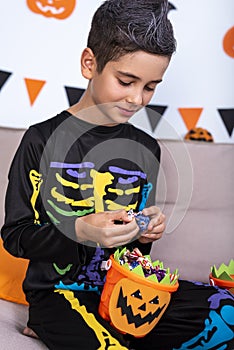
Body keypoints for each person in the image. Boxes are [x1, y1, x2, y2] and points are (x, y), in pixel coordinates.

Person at [1, 0, 234, 349]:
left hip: (124, 288)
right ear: (89, 64)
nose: (137, 99)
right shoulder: (41, 139)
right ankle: (52, 324)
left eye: (150, 87)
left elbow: (135, 246)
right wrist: (78, 229)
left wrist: (146, 230)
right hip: (57, 292)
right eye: (126, 81)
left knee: (226, 312)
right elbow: (15, 235)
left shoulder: (146, 148)